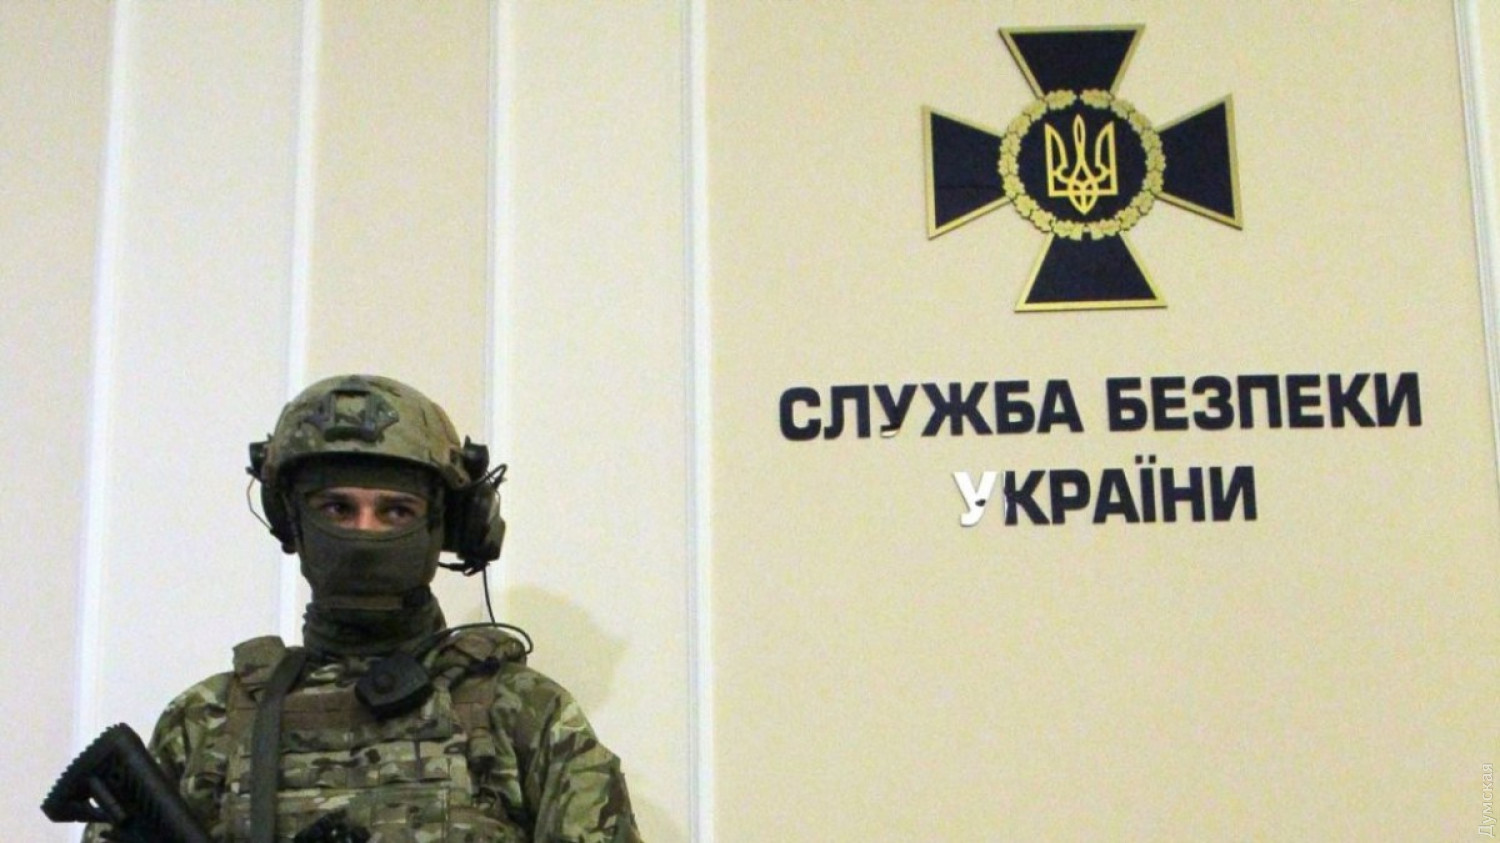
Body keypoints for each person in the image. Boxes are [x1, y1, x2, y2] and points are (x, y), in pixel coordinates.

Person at [84, 374, 642, 842]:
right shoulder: (205, 721)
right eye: (337, 509)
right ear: (291, 522)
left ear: (447, 526)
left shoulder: (521, 713)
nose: (363, 533)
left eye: (396, 511)